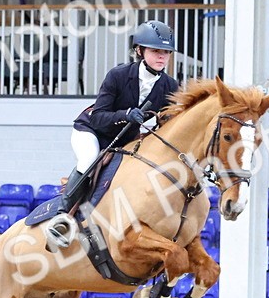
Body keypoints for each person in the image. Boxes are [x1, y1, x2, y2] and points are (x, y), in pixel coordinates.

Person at [44, 20, 180, 250]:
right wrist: (126, 114)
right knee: (89, 159)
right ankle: (62, 217)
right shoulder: (118, 75)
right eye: (156, 51)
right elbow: (99, 116)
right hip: (93, 131)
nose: (162, 57)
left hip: (127, 140)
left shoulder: (170, 86)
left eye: (166, 53)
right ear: (140, 51)